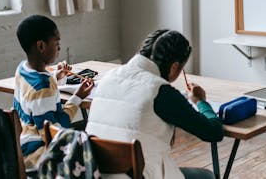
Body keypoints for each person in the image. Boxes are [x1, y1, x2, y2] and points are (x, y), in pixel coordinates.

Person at [86, 29, 223, 179]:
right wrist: (201, 102)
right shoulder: (160, 92)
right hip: (140, 175)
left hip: (97, 173)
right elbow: (213, 132)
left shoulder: (109, 77)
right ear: (174, 67)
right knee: (206, 176)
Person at [14, 15, 94, 169]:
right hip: (40, 154)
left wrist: (55, 78)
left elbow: (34, 96)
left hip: (24, 144)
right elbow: (55, 131)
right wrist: (77, 97)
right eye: (56, 43)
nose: (59, 48)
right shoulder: (43, 86)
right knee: (91, 146)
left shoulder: (23, 69)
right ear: (41, 46)